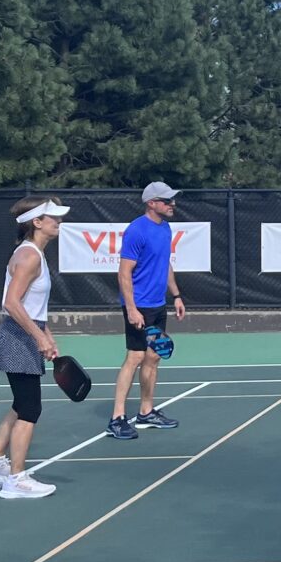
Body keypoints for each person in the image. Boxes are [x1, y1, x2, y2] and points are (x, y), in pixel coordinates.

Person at [0, 198, 70, 498]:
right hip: (18, 337)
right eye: (52, 217)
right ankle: (16, 480)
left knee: (20, 404)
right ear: (36, 223)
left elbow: (32, 305)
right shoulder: (29, 256)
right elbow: (11, 302)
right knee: (30, 408)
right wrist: (38, 337)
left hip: (23, 334)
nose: (59, 222)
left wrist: (47, 334)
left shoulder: (33, 254)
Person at [106, 181, 188, 440]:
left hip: (157, 304)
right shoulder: (136, 231)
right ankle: (117, 418)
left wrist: (176, 295)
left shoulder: (165, 228)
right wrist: (131, 308)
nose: (172, 204)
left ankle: (146, 411)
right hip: (139, 305)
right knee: (135, 357)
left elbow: (165, 265)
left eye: (172, 200)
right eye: (166, 201)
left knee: (154, 357)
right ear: (151, 203)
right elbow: (124, 273)